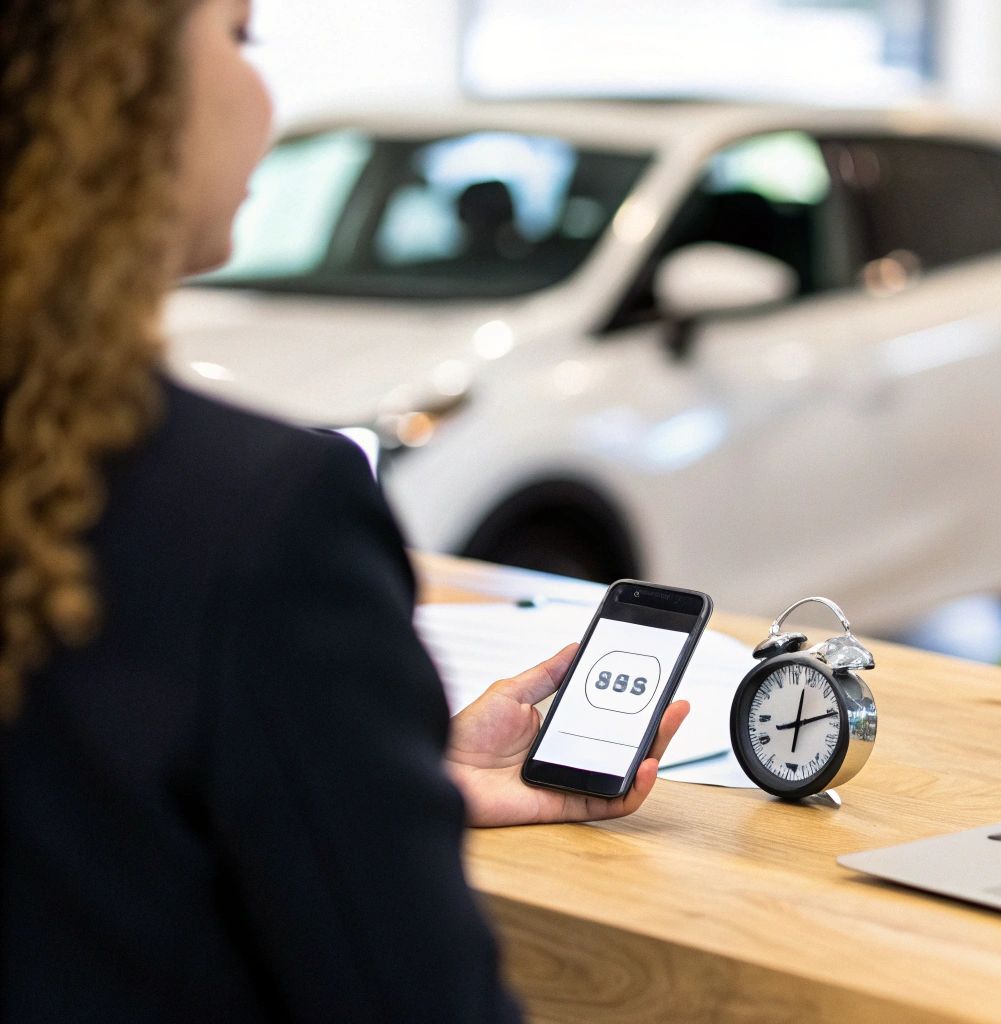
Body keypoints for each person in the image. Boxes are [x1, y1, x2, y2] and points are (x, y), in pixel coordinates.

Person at [0, 1, 689, 1019]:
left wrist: (384, 781)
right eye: (239, 36)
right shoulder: (261, 515)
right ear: (117, 89)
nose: (262, 94)